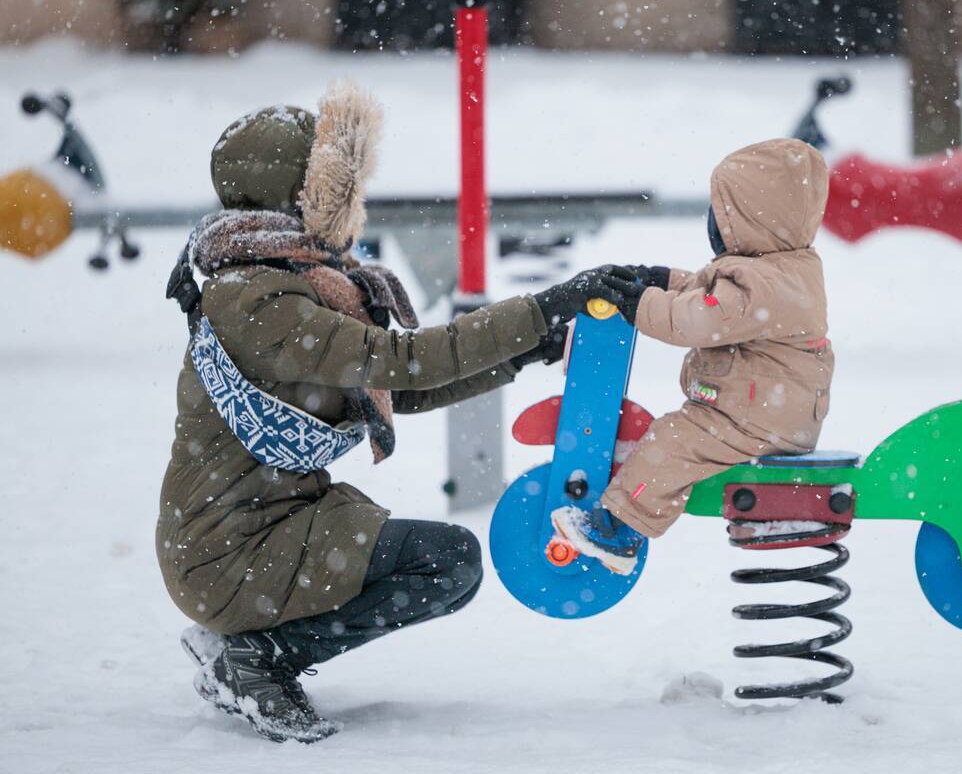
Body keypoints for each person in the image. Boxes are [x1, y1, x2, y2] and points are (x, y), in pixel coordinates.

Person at [158, 80, 631, 743]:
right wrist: (539, 309)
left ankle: (252, 644)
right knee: (448, 563)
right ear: (305, 192)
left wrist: (531, 347)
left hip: (260, 533)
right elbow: (399, 361)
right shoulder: (258, 299)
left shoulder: (287, 280)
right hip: (233, 551)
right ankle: (262, 656)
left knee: (446, 563)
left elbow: (397, 390)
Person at [553, 139, 835, 574]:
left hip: (752, 419)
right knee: (680, 436)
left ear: (752, 219)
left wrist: (640, 304)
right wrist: (660, 280)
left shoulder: (761, 283)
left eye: (723, 214)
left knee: (673, 443)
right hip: (769, 410)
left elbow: (700, 319)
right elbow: (710, 296)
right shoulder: (783, 268)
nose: (715, 225)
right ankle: (623, 519)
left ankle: (619, 531)